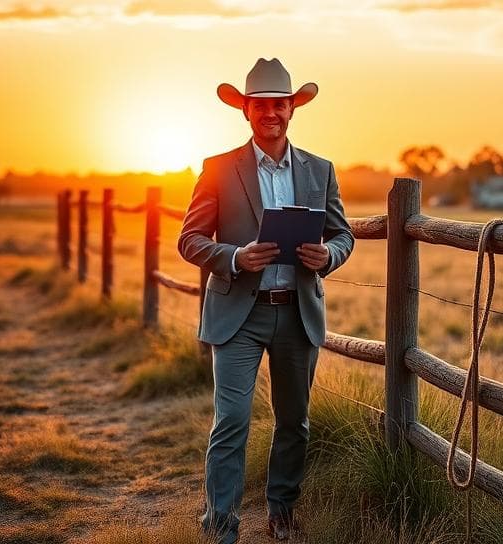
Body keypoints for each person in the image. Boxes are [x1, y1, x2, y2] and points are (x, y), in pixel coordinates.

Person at [178, 57, 354, 543]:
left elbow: (343, 235)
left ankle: (282, 511)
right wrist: (236, 257)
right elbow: (190, 240)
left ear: (292, 109)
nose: (271, 113)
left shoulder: (321, 170)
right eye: (261, 106)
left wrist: (328, 255)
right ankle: (220, 526)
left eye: (280, 104)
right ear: (247, 111)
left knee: (294, 421)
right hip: (239, 313)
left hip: (297, 313)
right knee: (231, 420)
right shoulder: (217, 169)